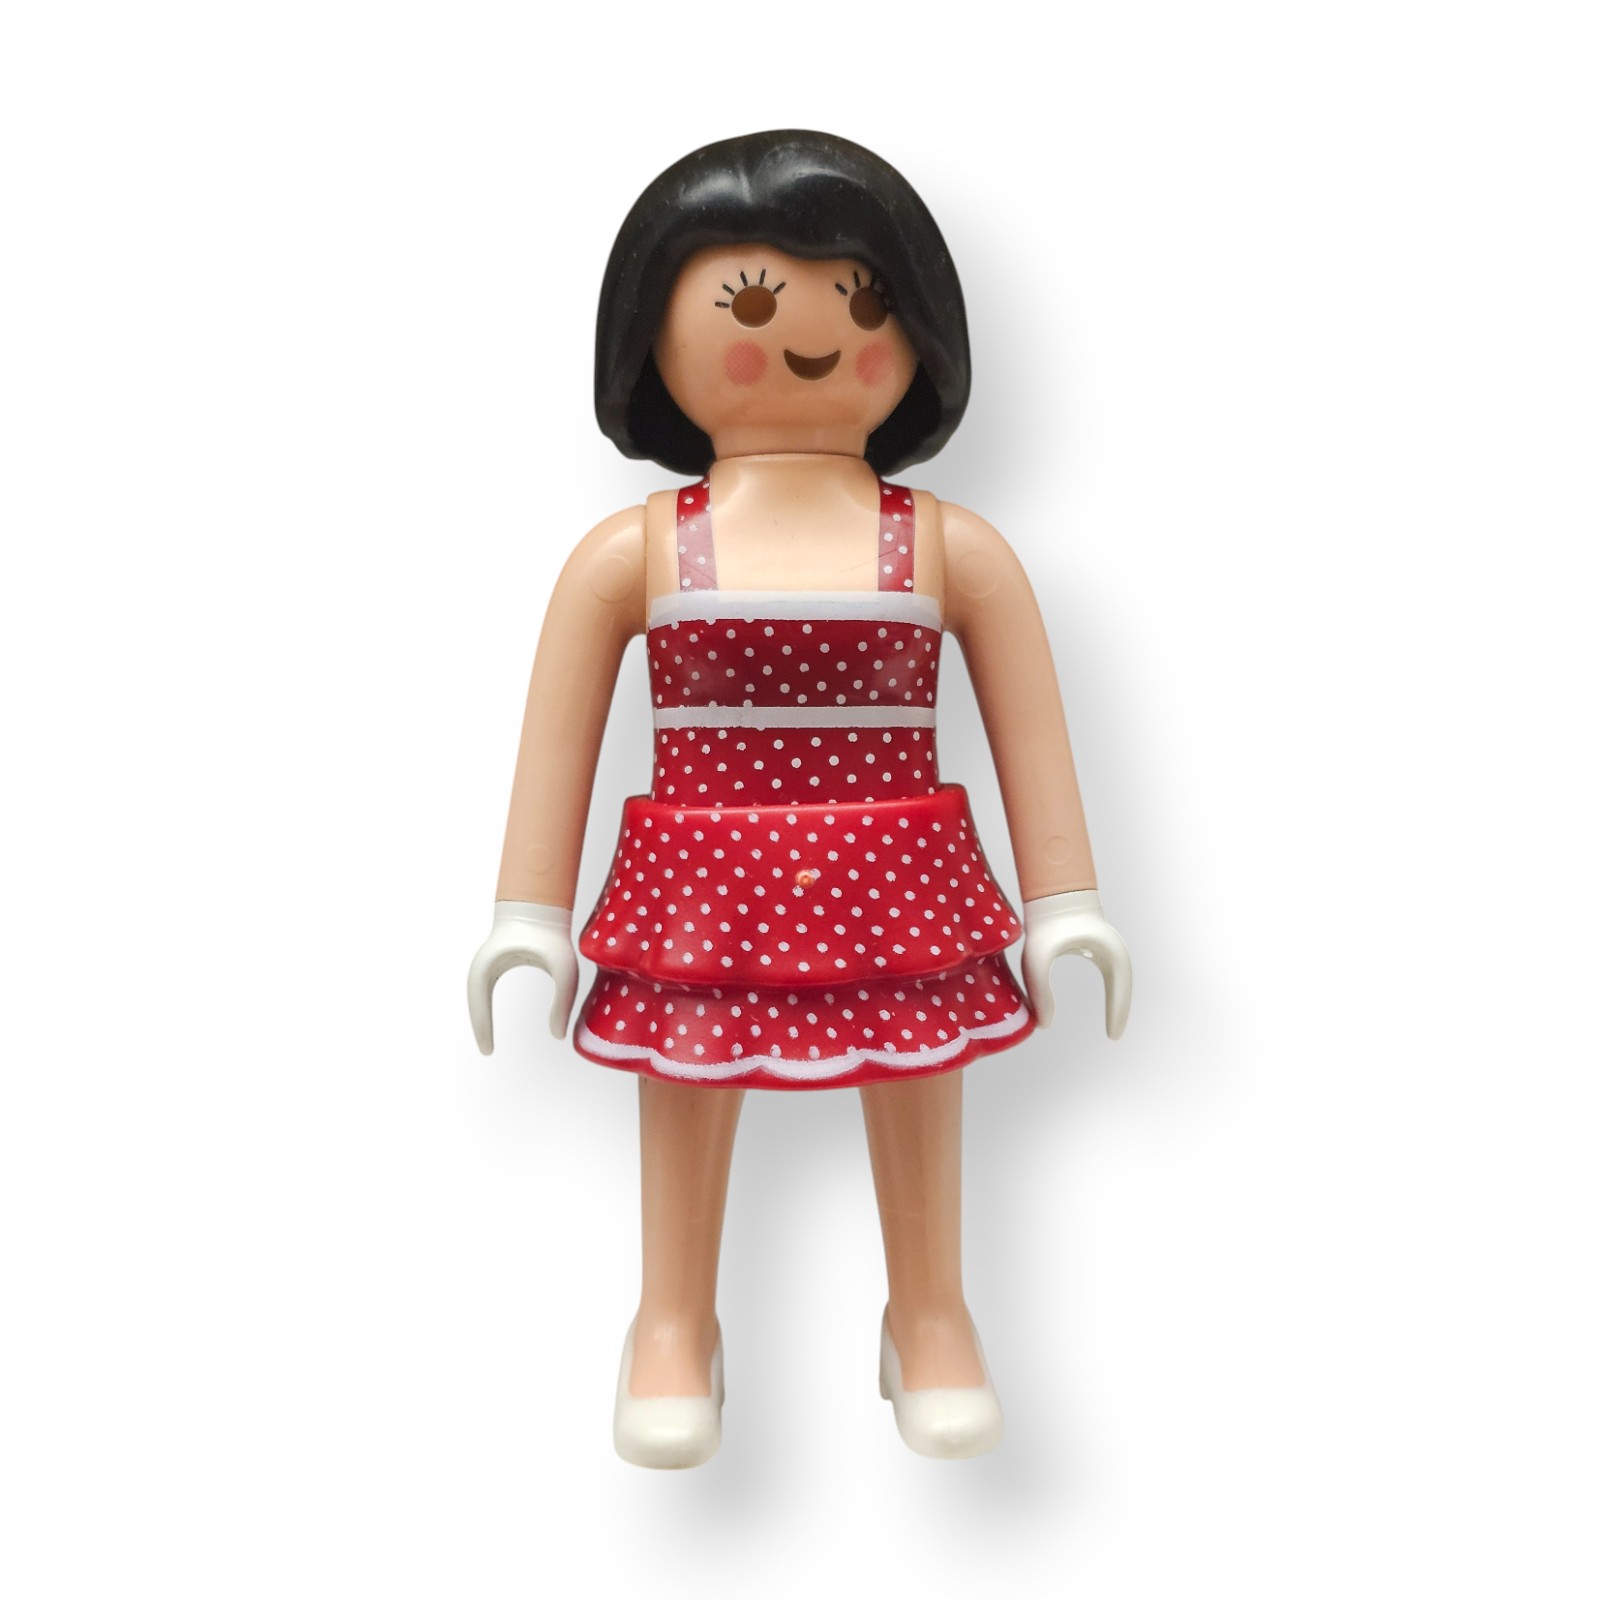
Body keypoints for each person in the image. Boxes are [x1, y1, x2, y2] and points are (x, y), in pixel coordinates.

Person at [467, 130, 1131, 1467]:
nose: (819, 338)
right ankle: (672, 1318)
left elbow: (1029, 729)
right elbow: (559, 740)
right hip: (702, 875)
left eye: (866, 300)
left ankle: (930, 1310)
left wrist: (1067, 899)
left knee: (918, 1068)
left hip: (901, 867)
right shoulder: (636, 552)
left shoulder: (945, 547)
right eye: (753, 304)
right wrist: (525, 914)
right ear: (652, 335)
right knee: (687, 1075)